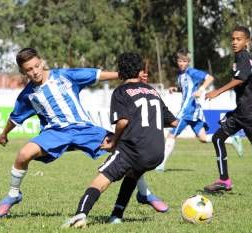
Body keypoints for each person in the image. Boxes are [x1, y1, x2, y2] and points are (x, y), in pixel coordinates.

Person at [0, 48, 168, 218]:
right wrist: (4, 134)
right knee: (24, 154)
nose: (35, 72)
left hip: (84, 129)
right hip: (54, 133)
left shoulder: (65, 76)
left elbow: (97, 75)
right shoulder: (28, 95)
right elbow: (15, 117)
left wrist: (130, 76)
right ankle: (13, 194)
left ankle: (144, 193)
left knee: (125, 149)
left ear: (41, 62)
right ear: (23, 72)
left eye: (36, 66)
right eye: (29, 70)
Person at [62, 52, 177, 228]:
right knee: (132, 175)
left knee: (100, 180)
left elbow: (122, 121)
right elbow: (173, 121)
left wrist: (113, 142)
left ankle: (80, 215)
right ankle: (116, 216)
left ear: (120, 73)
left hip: (133, 150)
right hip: (156, 154)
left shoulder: (121, 92)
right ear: (140, 71)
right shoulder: (153, 91)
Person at [155, 48, 244, 172]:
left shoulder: (192, 72)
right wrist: (175, 89)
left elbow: (210, 78)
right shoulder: (181, 75)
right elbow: (186, 89)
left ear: (188, 62)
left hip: (188, 110)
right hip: (193, 111)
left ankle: (161, 165)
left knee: (171, 135)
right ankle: (231, 139)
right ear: (177, 61)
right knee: (202, 138)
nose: (182, 63)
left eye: (184, 61)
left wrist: (201, 89)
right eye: (180, 61)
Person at [204, 26, 252, 193]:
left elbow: (240, 78)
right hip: (240, 111)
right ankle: (224, 180)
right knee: (217, 138)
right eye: (233, 39)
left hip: (249, 113)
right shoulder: (244, 57)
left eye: (239, 39)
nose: (234, 42)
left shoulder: (243, 56)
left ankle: (224, 180)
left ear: (247, 41)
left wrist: (217, 91)